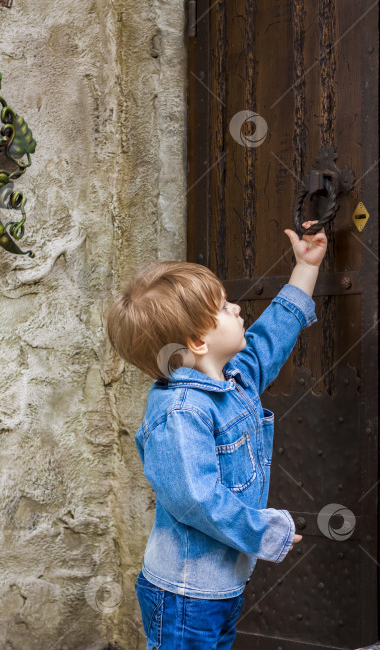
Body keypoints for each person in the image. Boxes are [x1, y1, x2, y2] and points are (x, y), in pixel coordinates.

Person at [105, 219, 327, 649]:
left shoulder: (234, 379)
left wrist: (306, 268)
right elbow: (197, 498)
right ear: (198, 342)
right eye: (224, 308)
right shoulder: (181, 413)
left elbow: (272, 337)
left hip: (220, 586)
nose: (238, 310)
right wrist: (262, 530)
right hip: (186, 593)